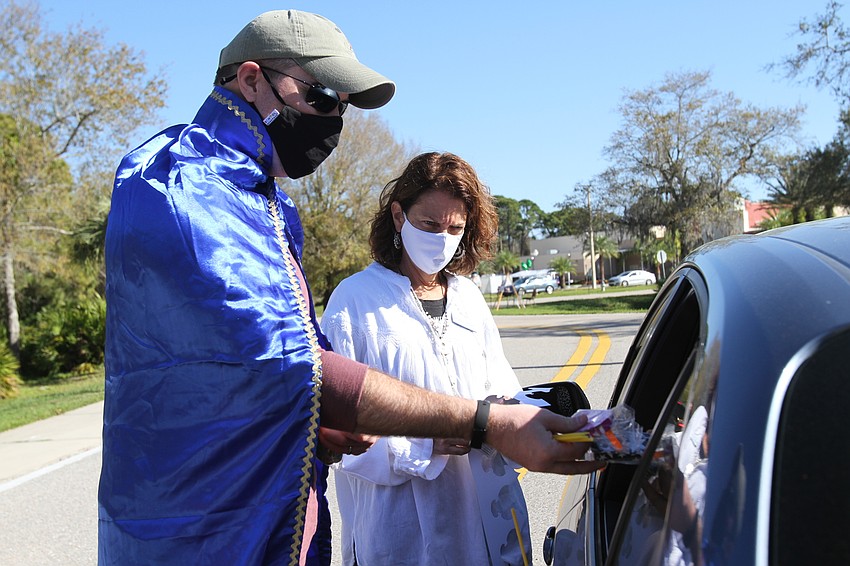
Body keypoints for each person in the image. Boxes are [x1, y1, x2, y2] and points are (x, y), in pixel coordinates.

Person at [99, 9, 601, 566]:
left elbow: (230, 380)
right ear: (249, 80)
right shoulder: (189, 188)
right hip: (211, 534)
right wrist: (484, 422)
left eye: (343, 106)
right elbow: (292, 367)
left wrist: (317, 430)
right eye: (320, 96)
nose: (333, 119)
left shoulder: (251, 194)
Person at [321, 152, 532, 565]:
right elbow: (335, 432)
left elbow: (503, 390)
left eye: (455, 228)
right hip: (398, 535)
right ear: (399, 217)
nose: (442, 239)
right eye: (430, 225)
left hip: (483, 521)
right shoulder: (355, 302)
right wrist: (424, 444)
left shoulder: (470, 299)